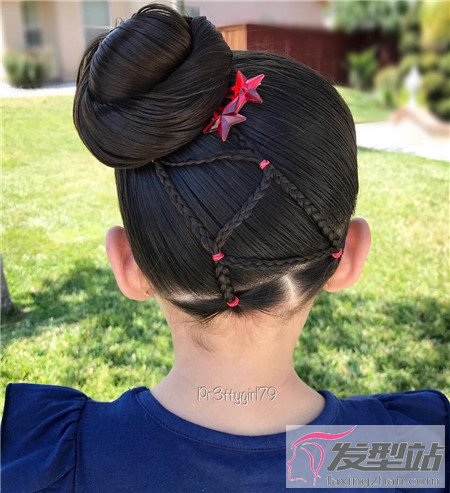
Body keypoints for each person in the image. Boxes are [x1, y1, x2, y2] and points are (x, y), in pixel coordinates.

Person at [1, 3, 448, 492]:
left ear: (129, 265)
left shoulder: (56, 463)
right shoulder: (398, 457)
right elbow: (293, 466)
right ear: (350, 257)